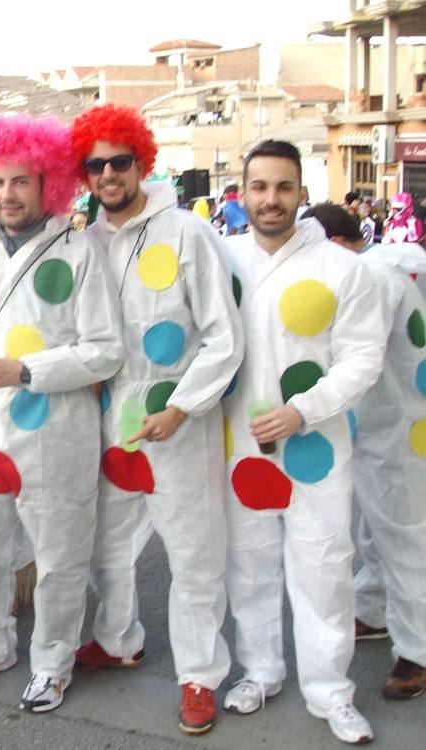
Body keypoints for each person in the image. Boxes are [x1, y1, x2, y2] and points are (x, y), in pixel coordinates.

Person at [0, 114, 123, 714]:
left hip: (57, 432)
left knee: (60, 556)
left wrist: (27, 370)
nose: (8, 194)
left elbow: (105, 350)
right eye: (0, 181)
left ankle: (54, 663)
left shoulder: (79, 249)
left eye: (21, 182)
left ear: (48, 183)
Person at [70, 103, 244, 736]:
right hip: (111, 419)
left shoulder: (187, 233)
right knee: (106, 542)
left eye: (119, 161)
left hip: (177, 420)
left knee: (194, 552)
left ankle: (199, 674)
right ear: (85, 173)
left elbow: (224, 337)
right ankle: (118, 639)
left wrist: (181, 406)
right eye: (96, 164)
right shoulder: (83, 240)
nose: (109, 174)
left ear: (140, 161)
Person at [222, 141, 385, 744]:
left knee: (323, 569)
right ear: (242, 193)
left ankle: (330, 690)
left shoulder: (343, 269)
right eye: (259, 187)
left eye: (283, 187)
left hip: (316, 447)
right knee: (251, 565)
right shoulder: (223, 258)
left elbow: (363, 357)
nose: (271, 199)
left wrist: (304, 410)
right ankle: (260, 670)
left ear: (300, 193)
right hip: (240, 447)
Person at [301, 202, 426, 702]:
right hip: (399, 421)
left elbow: (354, 358)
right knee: (382, 532)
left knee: (403, 540)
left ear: (333, 246)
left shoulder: (367, 278)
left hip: (392, 429)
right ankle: (373, 611)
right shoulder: (395, 262)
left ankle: (417, 651)